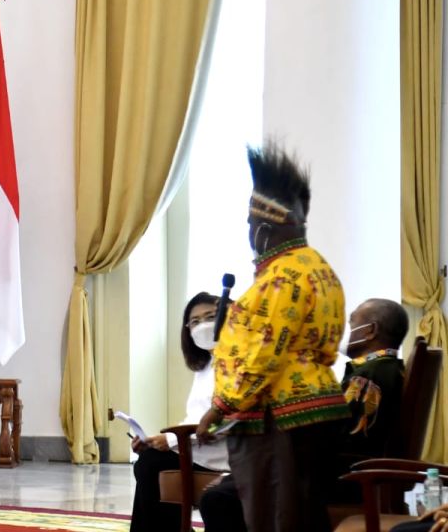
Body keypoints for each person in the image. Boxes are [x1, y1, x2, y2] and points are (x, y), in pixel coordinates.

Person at [196, 142, 351, 532]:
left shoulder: (282, 277)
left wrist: (220, 406)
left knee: (277, 519)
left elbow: (265, 352)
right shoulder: (320, 269)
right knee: (301, 515)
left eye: (251, 226)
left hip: (280, 419)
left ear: (264, 229)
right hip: (316, 409)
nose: (250, 235)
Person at [199, 297, 409, 531]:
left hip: (340, 478)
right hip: (352, 472)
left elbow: (337, 438)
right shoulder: (389, 369)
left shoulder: (368, 375)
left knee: (219, 498)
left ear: (370, 330)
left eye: (350, 323)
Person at [128, 291, 229, 532]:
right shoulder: (206, 366)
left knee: (150, 464)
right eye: (195, 321)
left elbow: (225, 416)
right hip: (202, 448)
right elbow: (195, 416)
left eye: (210, 317)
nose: (203, 325)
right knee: (148, 461)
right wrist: (158, 440)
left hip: (225, 452)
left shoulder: (235, 362)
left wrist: (172, 439)